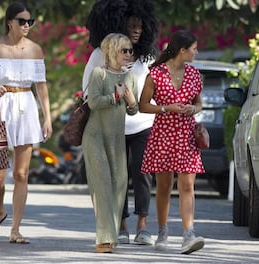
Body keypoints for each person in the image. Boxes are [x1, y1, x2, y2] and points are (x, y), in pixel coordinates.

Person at [82, 0, 159, 246]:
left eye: (140, 25)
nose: (137, 29)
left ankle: (143, 227)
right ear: (117, 24)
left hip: (143, 124)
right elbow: (87, 93)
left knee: (142, 174)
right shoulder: (98, 57)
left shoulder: (147, 57)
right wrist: (113, 94)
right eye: (132, 25)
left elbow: (154, 92)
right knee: (118, 177)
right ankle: (121, 225)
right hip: (110, 128)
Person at [0, 2, 53, 244]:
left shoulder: (35, 50)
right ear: (9, 22)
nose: (26, 25)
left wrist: (47, 117)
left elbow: (42, 85)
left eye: (30, 22)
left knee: (22, 174)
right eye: (22, 21)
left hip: (26, 106)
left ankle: (15, 229)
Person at [139, 30, 205, 255]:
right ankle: (162, 231)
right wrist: (167, 108)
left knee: (187, 185)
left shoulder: (195, 75)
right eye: (194, 48)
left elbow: (199, 104)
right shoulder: (156, 74)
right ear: (182, 50)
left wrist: (192, 109)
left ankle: (189, 234)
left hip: (186, 135)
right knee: (165, 186)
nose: (196, 52)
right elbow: (143, 105)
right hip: (163, 134)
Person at [82, 33, 138, 253]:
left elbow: (133, 110)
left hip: (117, 139)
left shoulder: (131, 77)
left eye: (130, 51)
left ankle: (111, 234)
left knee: (120, 185)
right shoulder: (99, 74)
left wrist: (130, 100)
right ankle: (104, 238)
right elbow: (94, 102)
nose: (128, 54)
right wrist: (115, 97)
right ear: (112, 51)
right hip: (95, 137)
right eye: (124, 50)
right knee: (103, 185)